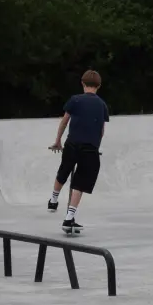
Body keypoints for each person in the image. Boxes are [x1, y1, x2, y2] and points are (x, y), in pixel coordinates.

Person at [48, 70, 109, 233]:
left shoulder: (75, 100)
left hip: (72, 144)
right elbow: (101, 130)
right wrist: (96, 146)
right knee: (80, 183)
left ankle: (53, 199)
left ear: (82, 83)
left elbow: (64, 121)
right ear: (99, 86)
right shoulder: (102, 104)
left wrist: (58, 141)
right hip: (90, 148)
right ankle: (69, 218)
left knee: (64, 170)